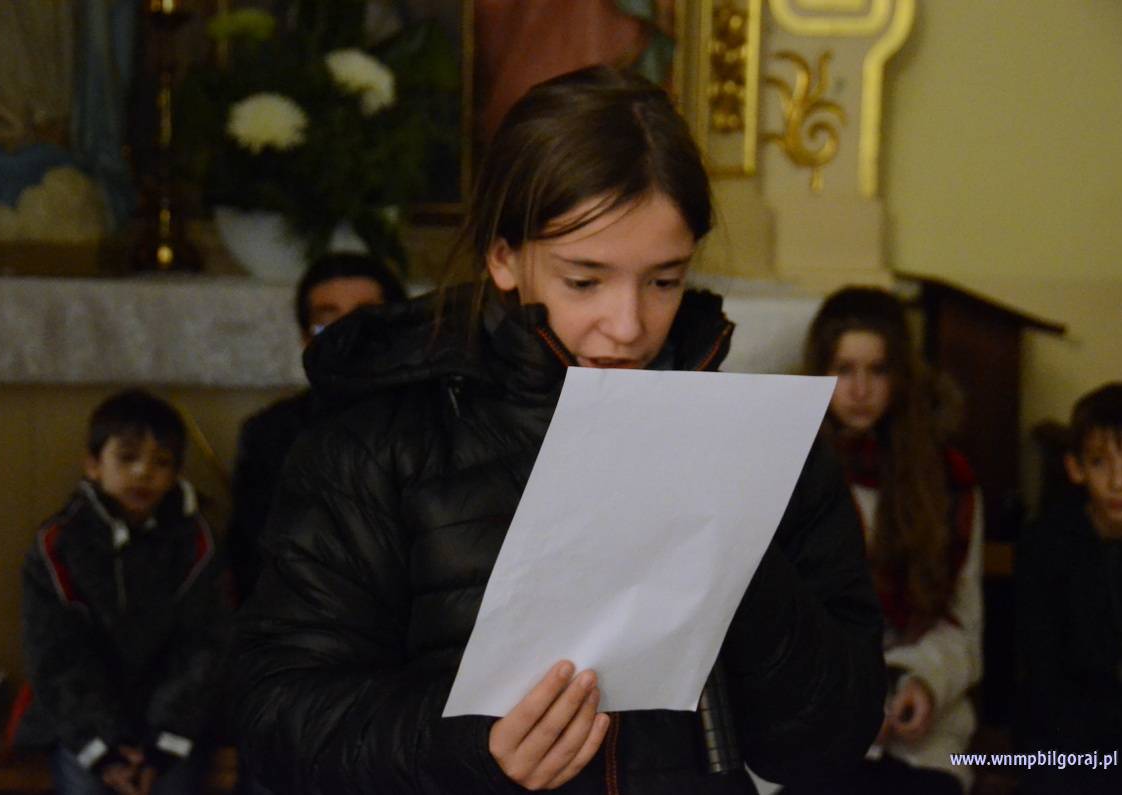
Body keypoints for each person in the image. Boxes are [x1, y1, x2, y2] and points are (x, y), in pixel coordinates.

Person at [232, 65, 885, 793]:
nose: (628, 325)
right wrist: (472, 750)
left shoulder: (763, 445)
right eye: (585, 280)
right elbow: (278, 720)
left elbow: (832, 739)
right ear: (504, 258)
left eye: (664, 280)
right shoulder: (376, 447)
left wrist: (735, 550)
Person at [796, 286, 984, 795]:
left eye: (878, 371)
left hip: (918, 726)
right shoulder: (791, 469)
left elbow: (963, 623)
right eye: (843, 370)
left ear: (901, 376)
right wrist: (850, 699)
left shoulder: (947, 479)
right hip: (816, 718)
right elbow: (779, 620)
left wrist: (919, 682)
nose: (860, 390)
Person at [15, 389, 226, 794]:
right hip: (83, 719)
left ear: (176, 474)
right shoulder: (58, 544)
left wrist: (164, 741)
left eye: (161, 462)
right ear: (93, 465)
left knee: (173, 784)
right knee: (86, 784)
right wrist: (104, 748)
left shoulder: (197, 543)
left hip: (174, 719)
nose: (143, 472)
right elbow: (56, 656)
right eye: (127, 457)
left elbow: (204, 648)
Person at [226, 252, 406, 602]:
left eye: (366, 317)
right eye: (329, 322)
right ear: (306, 340)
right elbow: (254, 557)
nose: (349, 335)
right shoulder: (270, 433)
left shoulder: (438, 419)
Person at [1017, 381, 1122, 794]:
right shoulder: (1046, 542)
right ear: (1075, 468)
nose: (1118, 482)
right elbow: (1042, 670)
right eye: (1099, 463)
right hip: (1067, 732)